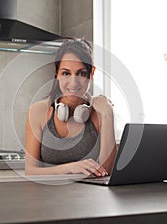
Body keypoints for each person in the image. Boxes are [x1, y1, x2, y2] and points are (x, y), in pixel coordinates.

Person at [25, 38, 117, 177]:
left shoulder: (101, 112)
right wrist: (69, 168)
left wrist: (108, 114)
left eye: (81, 73)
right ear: (57, 73)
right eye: (66, 73)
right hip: (45, 196)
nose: (73, 83)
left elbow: (107, 171)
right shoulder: (38, 111)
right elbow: (30, 171)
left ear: (91, 73)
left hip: (89, 197)